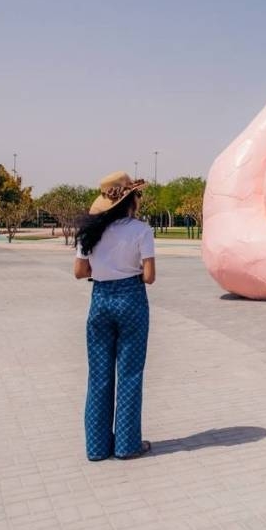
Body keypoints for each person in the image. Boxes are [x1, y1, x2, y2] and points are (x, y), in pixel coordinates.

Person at [74, 171, 155, 461]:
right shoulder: (141, 231)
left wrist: (105, 272)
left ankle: (96, 448)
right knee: (130, 374)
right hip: (132, 301)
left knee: (99, 376)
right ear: (130, 199)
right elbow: (149, 276)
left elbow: (79, 272)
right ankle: (126, 445)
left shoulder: (91, 232)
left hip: (100, 300)